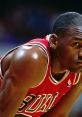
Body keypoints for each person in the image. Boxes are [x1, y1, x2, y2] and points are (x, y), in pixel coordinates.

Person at [0, 12, 82, 117]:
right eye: (77, 44)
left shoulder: (77, 69)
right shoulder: (32, 59)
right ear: (54, 41)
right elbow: (3, 112)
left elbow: (58, 114)